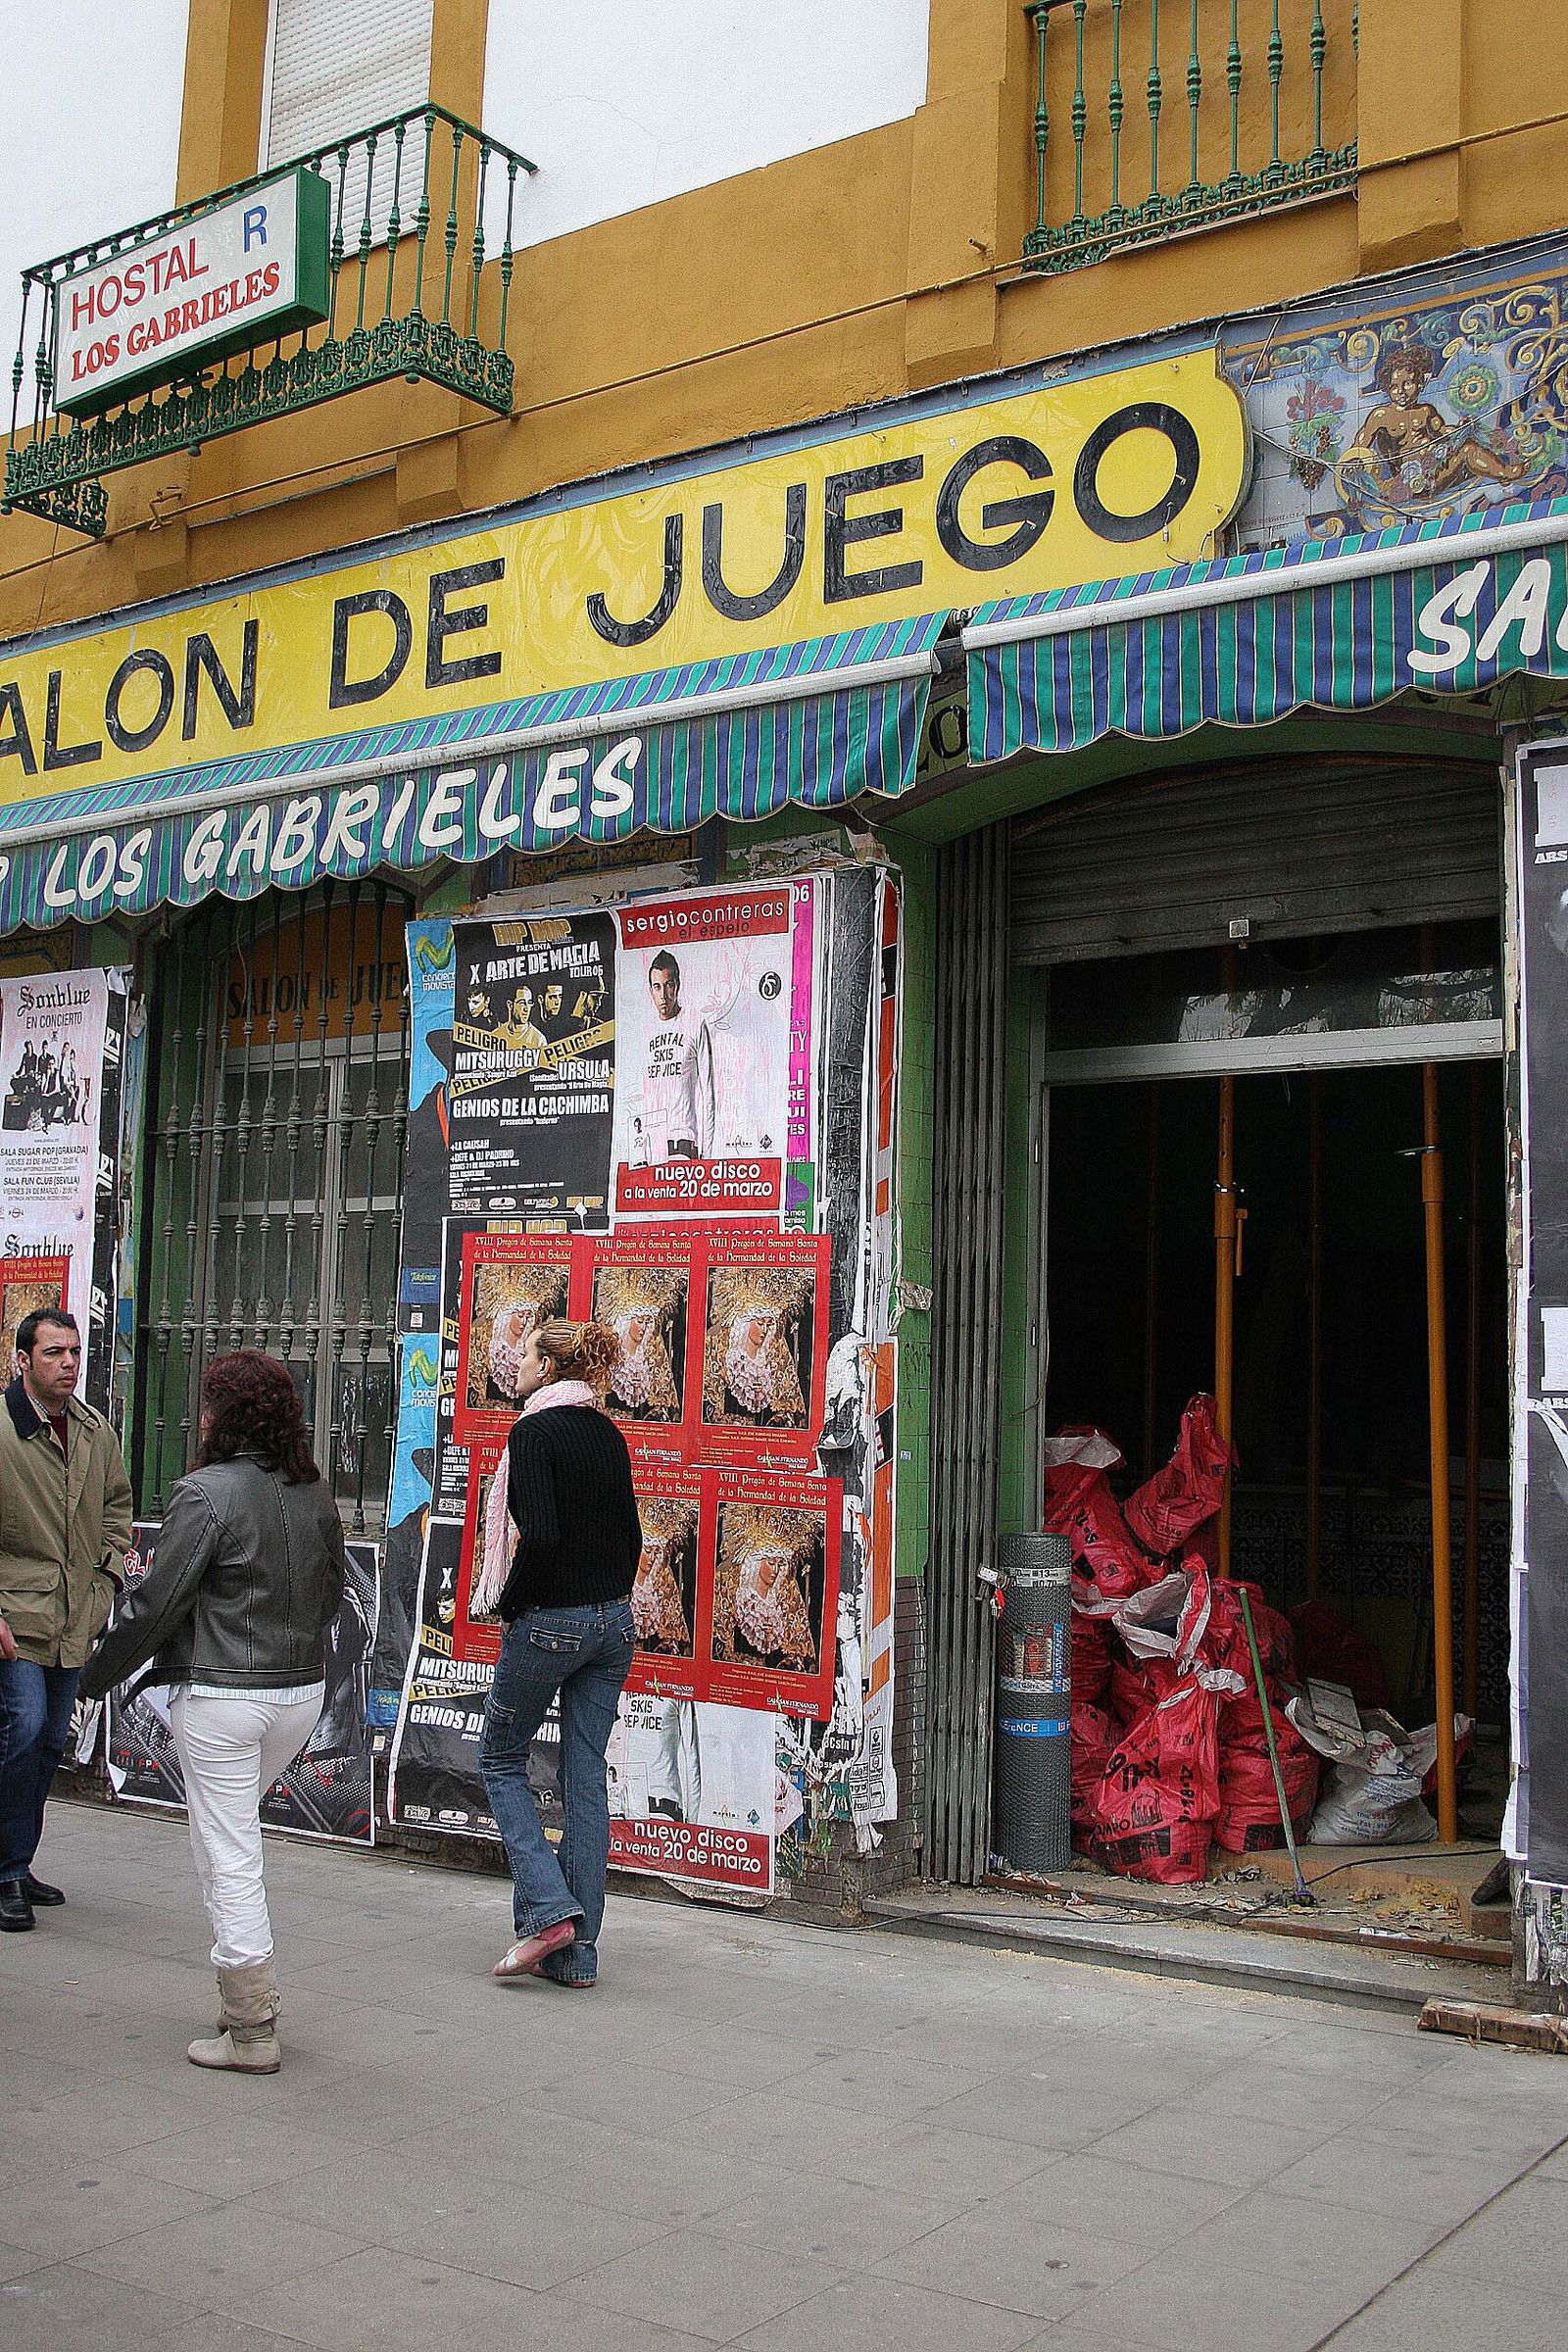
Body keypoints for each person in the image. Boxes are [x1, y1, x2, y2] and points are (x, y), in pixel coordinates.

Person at [80, 1351, 345, 2073]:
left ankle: (252, 2024)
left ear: (222, 1417)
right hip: (298, 1692)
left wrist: (91, 1674)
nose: (198, 1416)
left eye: (206, 1404)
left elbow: (155, 1602)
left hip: (226, 1695)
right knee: (221, 1834)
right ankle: (240, 2007)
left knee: (229, 1853)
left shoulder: (204, 1493)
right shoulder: (312, 1491)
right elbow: (330, 1598)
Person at [471, 1318, 640, 1987]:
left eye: (523, 1354)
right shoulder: (605, 1430)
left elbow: (537, 1535)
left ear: (547, 1369)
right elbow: (629, 1535)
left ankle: (548, 1911)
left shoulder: (533, 1434)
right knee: (584, 1776)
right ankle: (577, 1957)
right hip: (613, 1623)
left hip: (551, 1622)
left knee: (500, 1758)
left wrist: (510, 1607)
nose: (510, 1362)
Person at [0, 1308, 132, 1932]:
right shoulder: (3, 1428)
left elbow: (116, 1509)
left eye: (75, 1352)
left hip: (74, 1616)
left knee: (53, 1740)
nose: (69, 1364)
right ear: (23, 1359)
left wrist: (105, 1578)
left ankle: (18, 1863)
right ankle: (3, 1873)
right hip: (14, 1616)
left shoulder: (92, 1431)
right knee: (21, 1730)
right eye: (54, 1353)